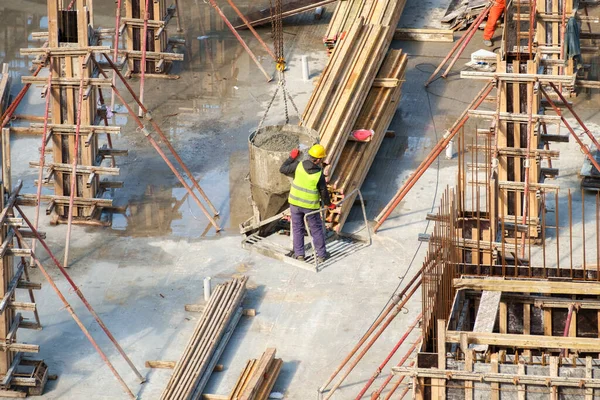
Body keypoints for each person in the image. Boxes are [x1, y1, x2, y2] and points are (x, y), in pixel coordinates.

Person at [279, 144, 335, 262]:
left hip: (295, 203)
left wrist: (291, 157)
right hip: (310, 207)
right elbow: (323, 192)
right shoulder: (319, 174)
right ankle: (321, 255)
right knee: (316, 229)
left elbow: (283, 169)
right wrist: (329, 204)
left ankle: (300, 255)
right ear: (318, 159)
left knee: (297, 228)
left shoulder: (298, 165)